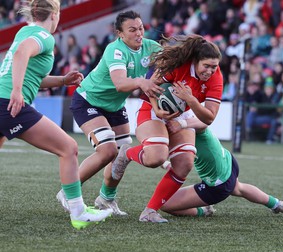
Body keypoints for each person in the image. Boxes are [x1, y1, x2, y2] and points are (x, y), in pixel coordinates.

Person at [0, 0, 112, 229]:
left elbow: (29, 74)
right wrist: (17, 91)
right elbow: (21, 54)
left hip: (2, 99)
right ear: (55, 14)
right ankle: (79, 212)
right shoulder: (44, 36)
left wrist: (62, 80)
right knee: (68, 148)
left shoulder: (25, 30)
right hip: (8, 103)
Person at [56, 10, 164, 216]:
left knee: (122, 154)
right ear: (120, 34)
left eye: (141, 28)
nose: (139, 33)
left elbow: (172, 63)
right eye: (132, 30)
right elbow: (120, 83)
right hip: (89, 100)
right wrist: (142, 81)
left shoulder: (152, 47)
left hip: (114, 106)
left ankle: (106, 199)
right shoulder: (115, 50)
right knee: (108, 151)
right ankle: (68, 191)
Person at [112, 34, 224, 222]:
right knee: (156, 157)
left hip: (184, 112)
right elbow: (150, 86)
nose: (210, 71)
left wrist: (191, 100)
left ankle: (149, 212)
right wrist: (157, 109)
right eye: (206, 66)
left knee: (185, 162)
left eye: (214, 66)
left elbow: (209, 117)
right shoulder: (178, 65)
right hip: (153, 107)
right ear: (195, 61)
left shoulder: (216, 77)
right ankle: (127, 153)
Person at [159, 116, 283, 217]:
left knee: (164, 203)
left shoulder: (188, 124)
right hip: (228, 163)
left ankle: (203, 211)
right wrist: (165, 162)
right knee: (238, 188)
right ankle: (275, 203)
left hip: (217, 184)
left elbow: (204, 122)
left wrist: (182, 124)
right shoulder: (186, 121)